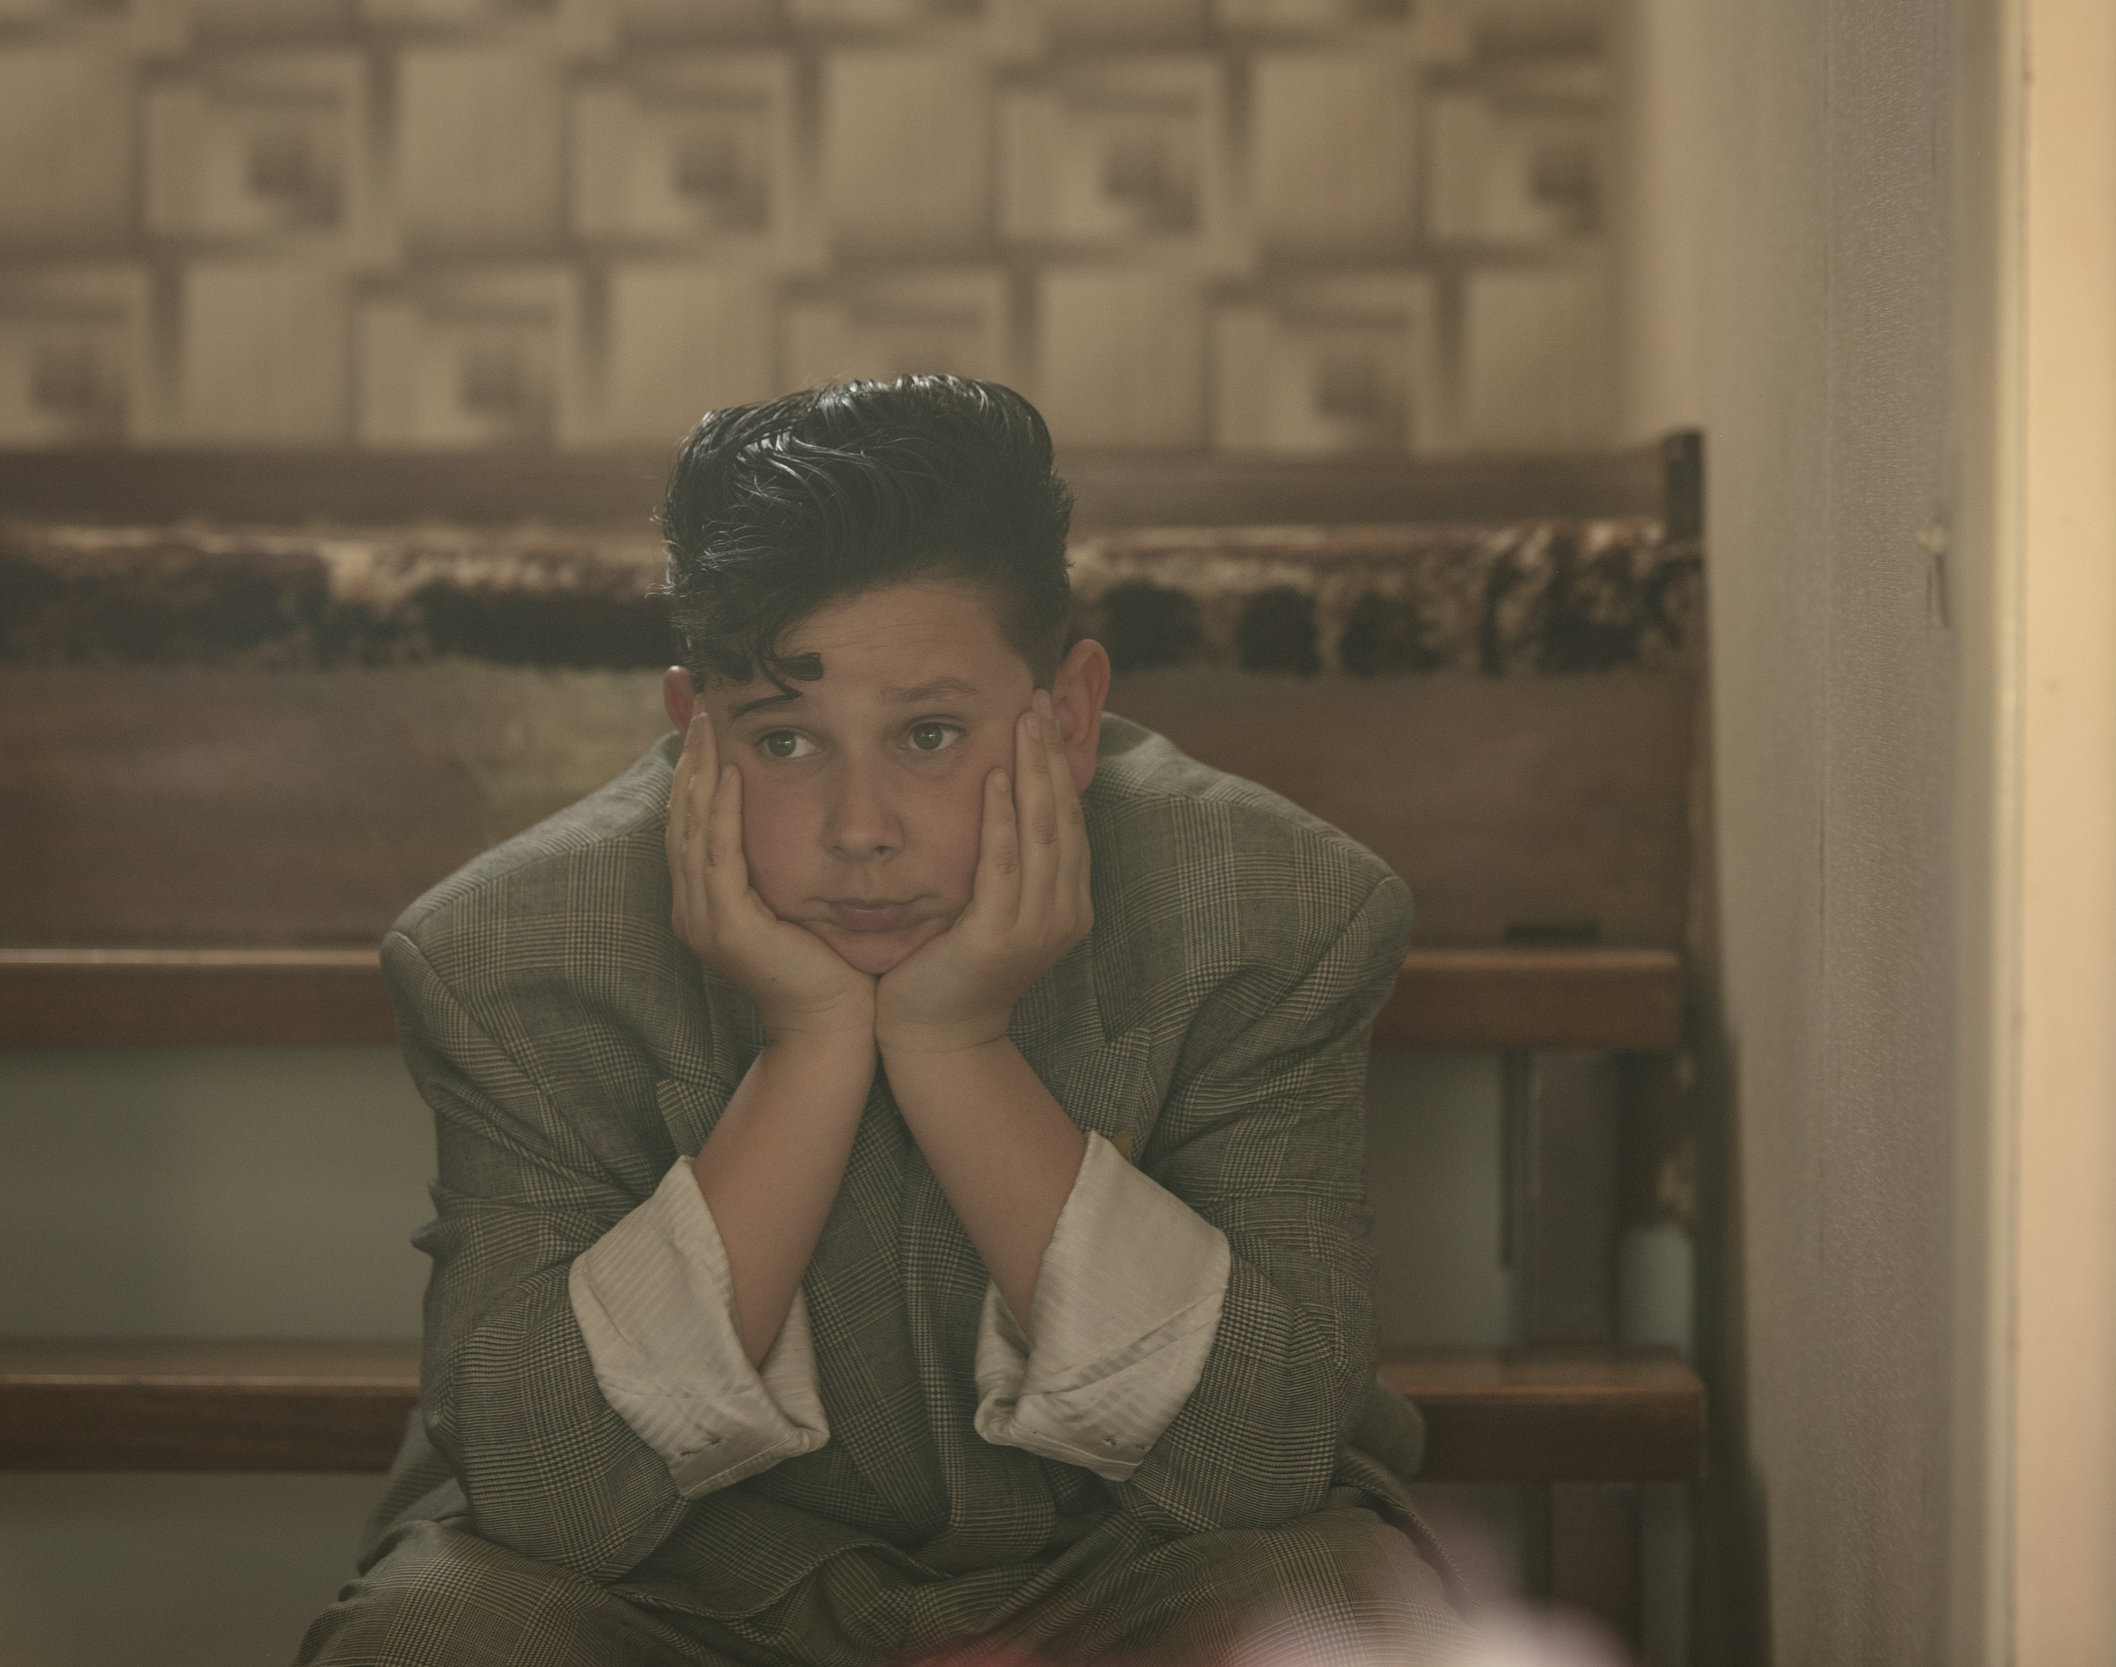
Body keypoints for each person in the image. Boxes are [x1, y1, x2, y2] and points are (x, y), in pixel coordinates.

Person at [294, 376, 1461, 1666]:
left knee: (1346, 1622)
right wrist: (806, 1047)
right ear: (696, 731)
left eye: (931, 733)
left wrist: (958, 1045)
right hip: (678, 1591)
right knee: (432, 1639)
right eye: (785, 742)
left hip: (1128, 1564)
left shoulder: (1276, 910)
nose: (861, 830)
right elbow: (552, 1498)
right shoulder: (508, 952)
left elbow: (1256, 1461)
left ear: (1069, 718)